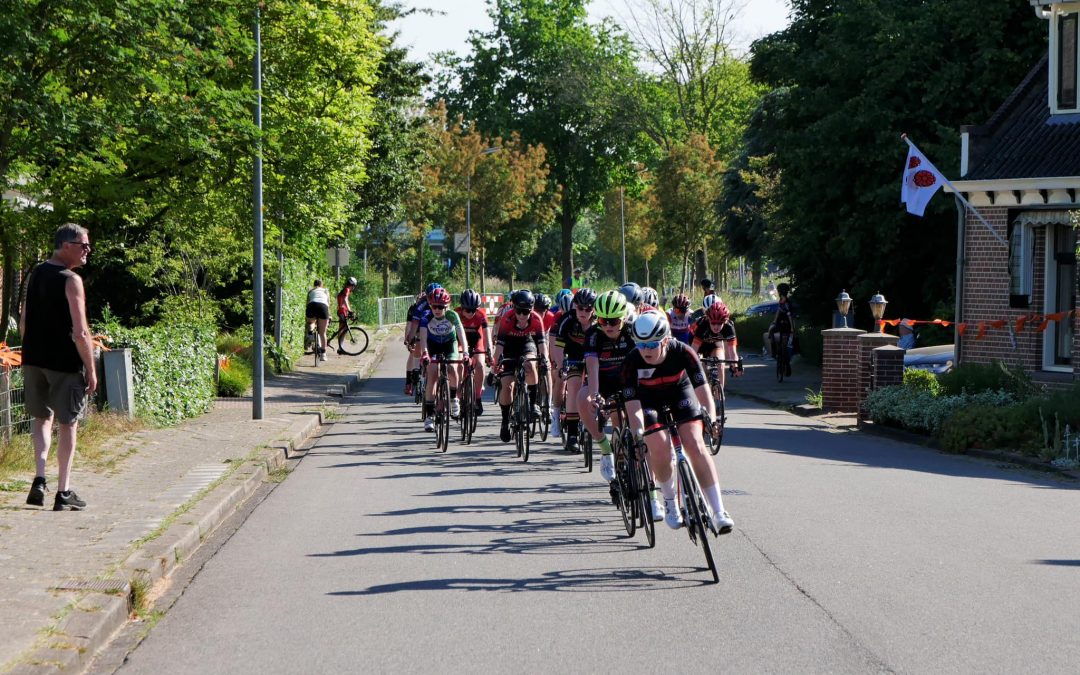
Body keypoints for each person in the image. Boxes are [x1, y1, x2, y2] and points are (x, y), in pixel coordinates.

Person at [622, 311, 734, 533]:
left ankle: (719, 511)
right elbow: (633, 409)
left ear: (665, 340)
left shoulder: (683, 352)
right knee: (659, 448)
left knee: (694, 442)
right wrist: (637, 436)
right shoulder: (631, 362)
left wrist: (711, 419)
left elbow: (703, 392)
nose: (646, 350)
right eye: (640, 344)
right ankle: (671, 502)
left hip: (680, 393)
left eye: (652, 344)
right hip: (648, 400)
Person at [20, 223, 97, 511]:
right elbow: (81, 332)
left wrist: (30, 351)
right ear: (66, 245)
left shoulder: (36, 274)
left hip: (34, 360)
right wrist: (91, 369)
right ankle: (63, 492)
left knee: (41, 419)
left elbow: (24, 317)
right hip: (64, 363)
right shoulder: (70, 279)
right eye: (83, 245)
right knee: (68, 423)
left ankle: (39, 479)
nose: (87, 250)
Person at [578, 290, 635, 484]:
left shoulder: (632, 331)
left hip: (626, 380)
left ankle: (626, 458)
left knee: (620, 418)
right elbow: (592, 366)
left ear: (623, 318)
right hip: (602, 380)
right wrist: (595, 396)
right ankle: (605, 449)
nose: (608, 326)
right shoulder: (593, 334)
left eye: (614, 321)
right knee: (582, 399)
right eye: (603, 321)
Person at [492, 290, 549, 443]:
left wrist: (545, 361)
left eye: (526, 312)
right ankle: (505, 421)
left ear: (531, 310)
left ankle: (532, 404)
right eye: (519, 311)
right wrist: (493, 369)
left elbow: (542, 345)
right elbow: (499, 349)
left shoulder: (537, 319)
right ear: (514, 308)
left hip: (527, 343)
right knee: (508, 387)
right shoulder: (507, 318)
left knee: (531, 364)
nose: (522, 315)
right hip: (509, 346)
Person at [418, 288, 468, 432]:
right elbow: (423, 338)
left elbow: (461, 336)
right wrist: (425, 353)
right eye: (434, 306)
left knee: (452, 368)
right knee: (432, 373)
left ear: (447, 307)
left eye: (441, 307)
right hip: (432, 345)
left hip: (449, 344)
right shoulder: (426, 317)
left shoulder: (453, 316)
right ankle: (429, 415)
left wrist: (465, 353)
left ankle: (453, 398)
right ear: (430, 306)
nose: (437, 310)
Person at [550, 288, 596, 443]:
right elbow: (558, 347)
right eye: (579, 308)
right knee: (574, 386)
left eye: (587, 309)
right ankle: (572, 433)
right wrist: (561, 365)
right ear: (574, 306)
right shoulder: (567, 319)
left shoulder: (599, 322)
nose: (583, 312)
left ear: (594, 309)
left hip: (594, 357)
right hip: (573, 356)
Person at [690, 301, 744, 394]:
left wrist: (735, 366)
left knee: (721, 363)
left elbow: (732, 352)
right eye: (713, 323)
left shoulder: (729, 327)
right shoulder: (702, 325)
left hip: (714, 345)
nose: (716, 326)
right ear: (708, 320)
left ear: (725, 321)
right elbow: (693, 350)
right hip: (699, 346)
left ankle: (720, 395)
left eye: (719, 323)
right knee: (701, 368)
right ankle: (704, 394)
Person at [456, 289, 493, 415]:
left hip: (476, 340)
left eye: (473, 310)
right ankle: (458, 392)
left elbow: (487, 334)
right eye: (467, 310)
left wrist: (489, 351)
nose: (471, 313)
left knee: (480, 365)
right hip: (460, 340)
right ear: (461, 307)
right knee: (460, 363)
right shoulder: (456, 313)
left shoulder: (481, 314)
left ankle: (477, 398)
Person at [765, 282, 797, 376]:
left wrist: (792, 328)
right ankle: (775, 353)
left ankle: (782, 360)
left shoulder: (786, 303)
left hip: (785, 325)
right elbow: (779, 312)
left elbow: (790, 316)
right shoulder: (782, 301)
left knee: (783, 344)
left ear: (780, 292)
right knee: (772, 333)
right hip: (781, 324)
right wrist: (774, 321)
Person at [305, 279, 331, 362]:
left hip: (312, 305)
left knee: (311, 322)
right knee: (322, 333)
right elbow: (328, 304)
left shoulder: (310, 291)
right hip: (323, 307)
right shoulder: (325, 291)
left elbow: (307, 303)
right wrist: (329, 315)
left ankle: (310, 333)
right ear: (321, 285)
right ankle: (323, 354)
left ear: (314, 285)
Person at [334, 276, 358, 354]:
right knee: (343, 329)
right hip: (342, 311)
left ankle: (341, 348)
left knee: (343, 329)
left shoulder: (344, 289)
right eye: (354, 286)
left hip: (342, 311)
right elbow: (345, 300)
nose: (354, 288)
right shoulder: (347, 289)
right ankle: (340, 348)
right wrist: (349, 310)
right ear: (353, 285)